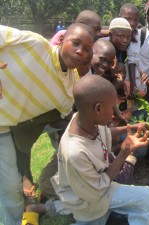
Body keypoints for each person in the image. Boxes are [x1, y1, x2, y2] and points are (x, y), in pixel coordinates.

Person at [0, 23, 94, 225]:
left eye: (86, 49)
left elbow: (62, 119)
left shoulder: (70, 86)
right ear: (61, 41)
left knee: (10, 188)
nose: (80, 51)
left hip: (3, 128)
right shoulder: (32, 44)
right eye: (75, 43)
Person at [51, 74, 149, 225]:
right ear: (98, 108)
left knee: (143, 202)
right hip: (89, 201)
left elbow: (104, 131)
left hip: (95, 186)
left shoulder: (83, 118)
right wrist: (125, 152)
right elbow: (97, 191)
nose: (115, 113)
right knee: (148, 198)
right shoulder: (75, 151)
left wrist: (130, 127)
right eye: (112, 107)